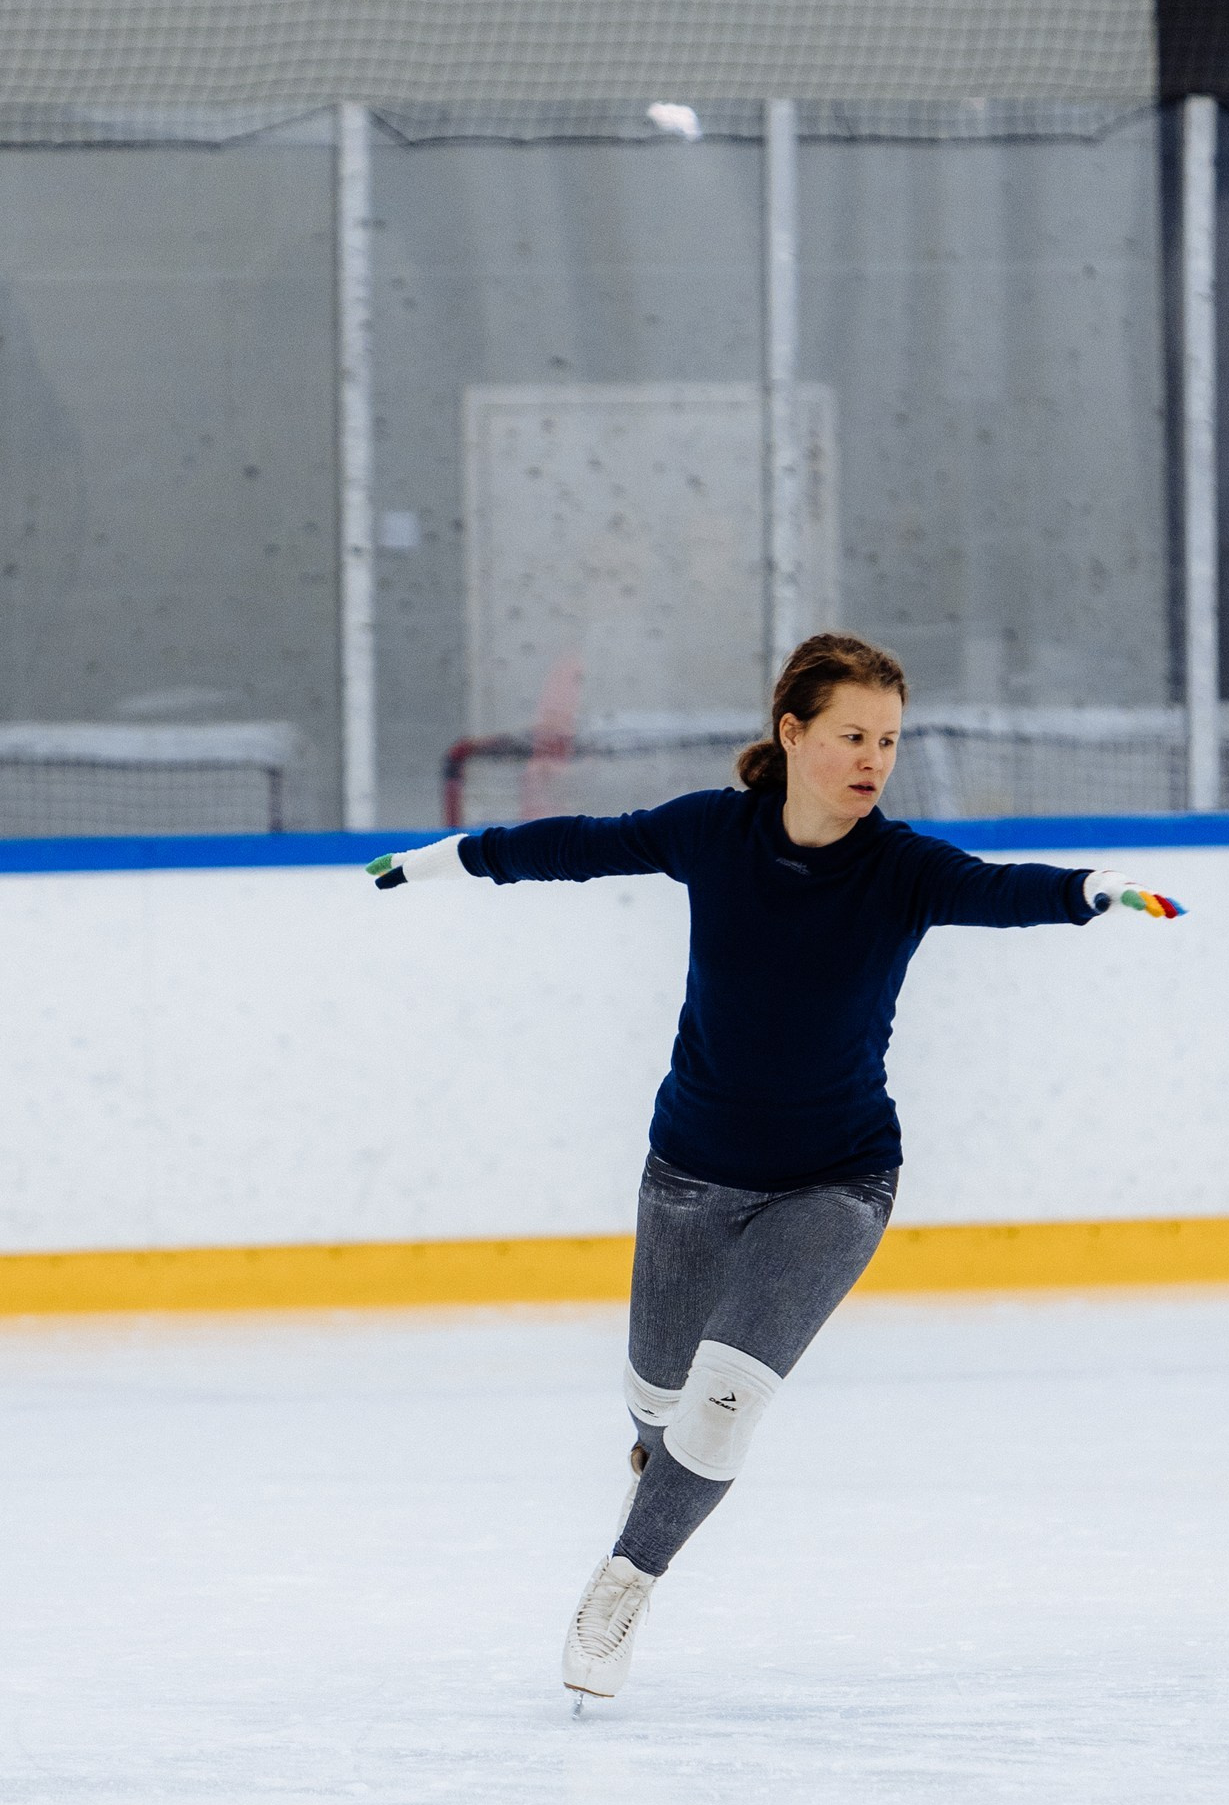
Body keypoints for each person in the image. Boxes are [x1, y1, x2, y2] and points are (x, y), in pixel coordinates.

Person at [369, 631, 1181, 1701]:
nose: (873, 760)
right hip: (692, 1173)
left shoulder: (902, 871)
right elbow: (579, 842)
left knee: (723, 1402)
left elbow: (1001, 889)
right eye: (852, 734)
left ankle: (624, 1584)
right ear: (792, 734)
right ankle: (652, 1469)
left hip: (837, 1181)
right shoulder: (716, 832)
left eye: (889, 740)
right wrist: (447, 856)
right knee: (657, 1401)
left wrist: (1093, 888)